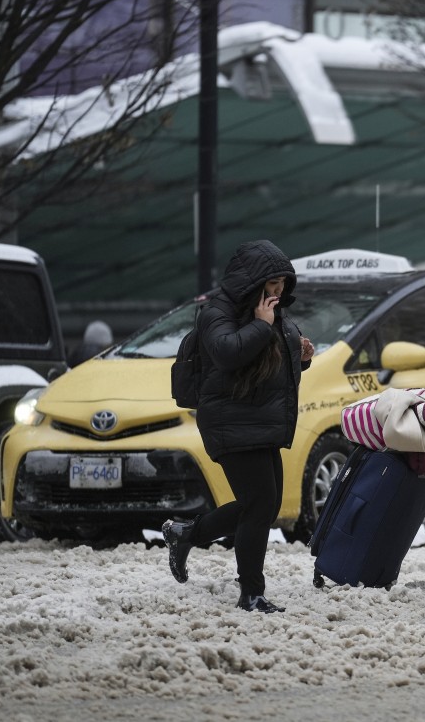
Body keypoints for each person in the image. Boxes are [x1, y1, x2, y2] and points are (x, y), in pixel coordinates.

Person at [161, 240, 315, 613]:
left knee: (261, 504)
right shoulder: (218, 311)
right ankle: (251, 593)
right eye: (272, 284)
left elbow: (267, 366)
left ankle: (185, 534)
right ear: (253, 281)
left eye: (282, 284)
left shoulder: (268, 312)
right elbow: (227, 352)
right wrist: (263, 327)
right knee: (259, 505)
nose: (278, 292)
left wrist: (301, 355)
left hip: (259, 418)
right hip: (229, 419)